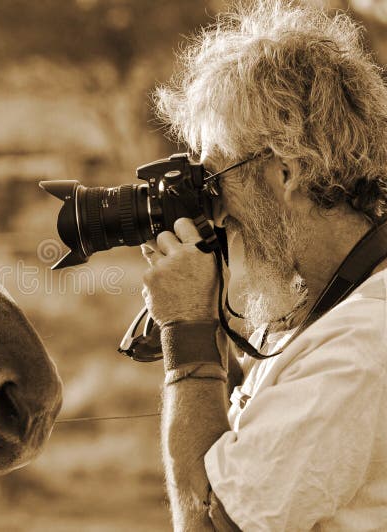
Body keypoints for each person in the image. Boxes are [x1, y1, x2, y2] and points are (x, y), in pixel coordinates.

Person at [141, 1, 387, 530]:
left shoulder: (359, 348)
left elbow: (207, 525)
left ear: (284, 172)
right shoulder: (329, 308)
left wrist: (186, 335)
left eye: (214, 178)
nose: (214, 208)